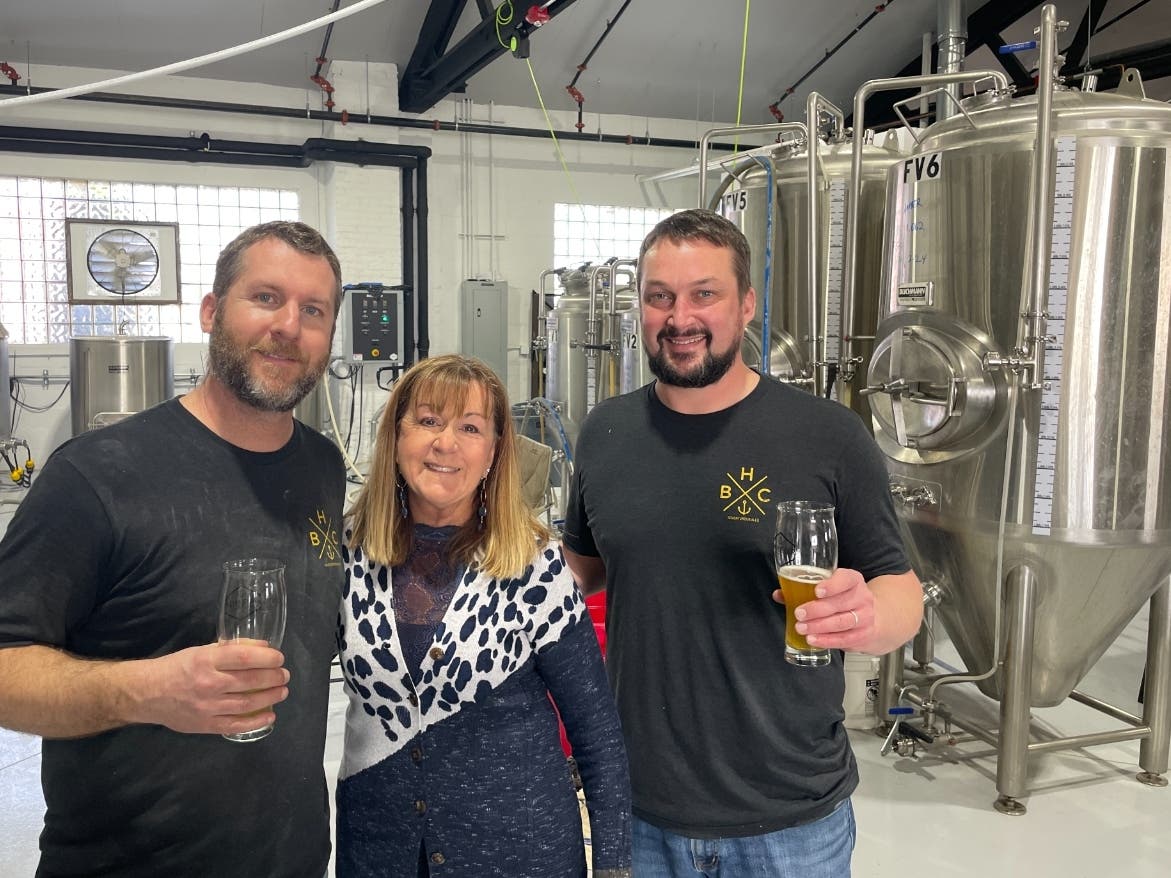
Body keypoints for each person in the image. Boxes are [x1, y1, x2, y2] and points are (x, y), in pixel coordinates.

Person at [562, 209, 923, 877]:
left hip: (790, 815)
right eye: (658, 296)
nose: (679, 318)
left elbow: (898, 588)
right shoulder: (605, 432)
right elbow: (575, 571)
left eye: (704, 294)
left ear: (746, 303)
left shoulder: (826, 435)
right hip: (642, 807)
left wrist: (867, 618)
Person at [0, 221, 346, 878]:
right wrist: (142, 691)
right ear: (212, 311)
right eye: (266, 298)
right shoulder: (98, 476)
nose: (289, 326)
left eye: (314, 311)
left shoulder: (323, 468)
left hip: (293, 860)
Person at [336, 354, 631, 878]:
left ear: (494, 451)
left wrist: (612, 864)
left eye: (470, 427)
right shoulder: (350, 556)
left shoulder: (533, 566)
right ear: (395, 437)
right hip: (379, 850)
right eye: (427, 421)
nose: (445, 443)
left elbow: (596, 731)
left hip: (519, 853)